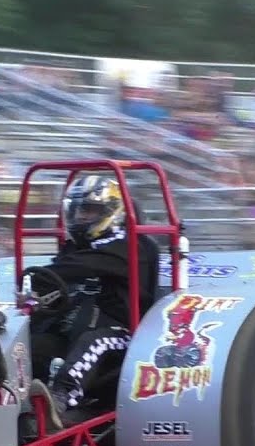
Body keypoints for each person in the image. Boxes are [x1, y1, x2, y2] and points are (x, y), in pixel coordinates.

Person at [26, 174, 158, 430]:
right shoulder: (81, 247)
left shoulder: (130, 246)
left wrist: (43, 279)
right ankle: (14, 399)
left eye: (89, 210)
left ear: (112, 212)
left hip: (130, 336)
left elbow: (74, 268)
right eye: (77, 211)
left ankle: (62, 398)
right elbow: (58, 274)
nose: (81, 218)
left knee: (95, 342)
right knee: (35, 343)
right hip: (80, 328)